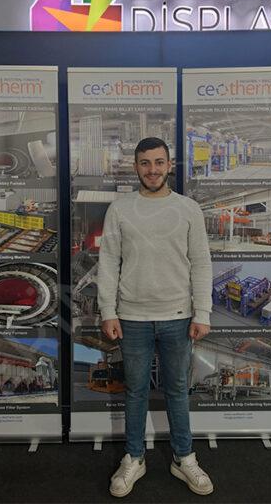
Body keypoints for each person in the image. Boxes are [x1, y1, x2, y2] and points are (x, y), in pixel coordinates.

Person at [97, 137, 214, 497]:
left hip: (178, 316)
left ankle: (184, 457)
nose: (152, 170)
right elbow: (108, 263)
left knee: (177, 390)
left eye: (159, 162)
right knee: (135, 391)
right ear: (135, 167)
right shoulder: (120, 209)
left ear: (169, 165)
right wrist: (108, 311)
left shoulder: (188, 209)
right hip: (132, 317)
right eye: (145, 163)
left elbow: (201, 263)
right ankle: (134, 457)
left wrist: (203, 311)